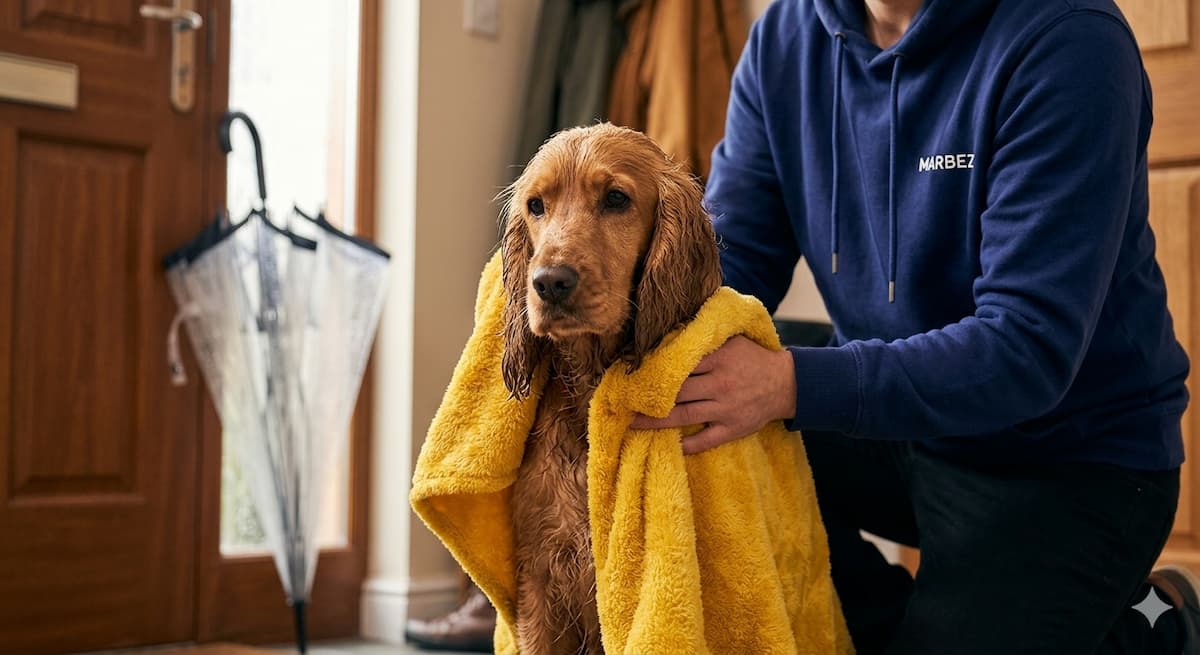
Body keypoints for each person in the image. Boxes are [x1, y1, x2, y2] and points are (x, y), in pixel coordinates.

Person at [630, 0, 1199, 653]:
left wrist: (789, 384)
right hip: (902, 424)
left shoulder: (1069, 38)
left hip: (1067, 458)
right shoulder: (786, 39)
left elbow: (1027, 347)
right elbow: (730, 264)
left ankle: (1153, 629)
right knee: (689, 428)